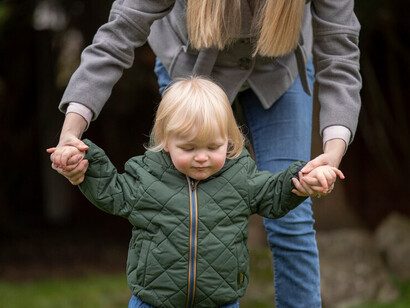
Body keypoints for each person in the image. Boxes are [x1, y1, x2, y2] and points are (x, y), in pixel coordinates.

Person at [49, 1, 361, 306]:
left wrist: (330, 157)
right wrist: (70, 135)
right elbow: (116, 36)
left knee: (292, 217)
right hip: (193, 67)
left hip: (278, 68)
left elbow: (340, 55)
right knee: (173, 196)